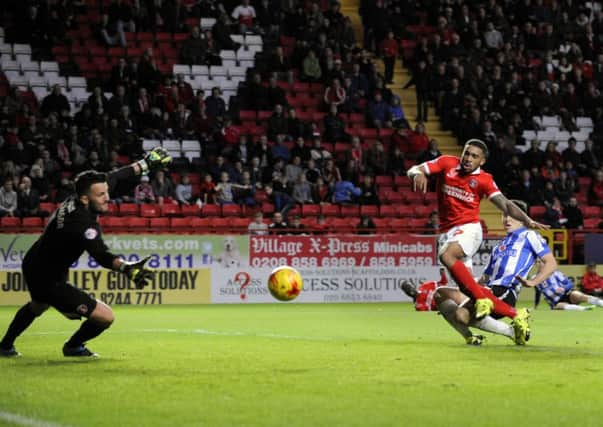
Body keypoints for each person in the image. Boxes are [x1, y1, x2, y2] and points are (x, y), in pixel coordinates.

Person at [0, 148, 172, 358]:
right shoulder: (81, 223)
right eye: (101, 195)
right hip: (48, 277)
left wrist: (146, 163)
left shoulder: (82, 194)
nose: (107, 198)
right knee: (105, 317)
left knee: (38, 306)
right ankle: (73, 346)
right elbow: (100, 254)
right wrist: (127, 268)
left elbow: (118, 175)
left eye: (106, 192)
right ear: (84, 199)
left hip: (36, 262)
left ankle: (5, 345)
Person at [407, 139, 548, 342]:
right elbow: (413, 169)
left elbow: (505, 204)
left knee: (447, 255)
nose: (468, 158)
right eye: (467, 153)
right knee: (454, 294)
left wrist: (527, 220)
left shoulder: (484, 180)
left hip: (469, 229)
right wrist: (418, 173)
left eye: (474, 156)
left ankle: (484, 300)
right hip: (447, 233)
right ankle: (509, 322)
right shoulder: (447, 163)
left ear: (482, 161)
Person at [434, 200, 557, 345]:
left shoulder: (530, 236)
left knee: (462, 315)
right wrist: (467, 288)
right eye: (504, 215)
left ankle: (516, 319)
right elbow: (486, 277)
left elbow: (551, 263)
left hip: (505, 291)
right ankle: (480, 336)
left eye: (512, 216)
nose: (507, 219)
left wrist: (533, 281)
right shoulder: (499, 246)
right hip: (488, 290)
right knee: (441, 294)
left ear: (522, 218)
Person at [535, 269, 603, 311]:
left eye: (542, 262)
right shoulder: (536, 279)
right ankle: (583, 309)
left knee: (577, 294)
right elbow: (537, 293)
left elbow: (570, 284)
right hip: (556, 302)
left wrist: (564, 288)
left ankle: (601, 303)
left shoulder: (555, 273)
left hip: (567, 295)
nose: (540, 264)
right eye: (537, 262)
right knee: (560, 306)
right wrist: (536, 306)